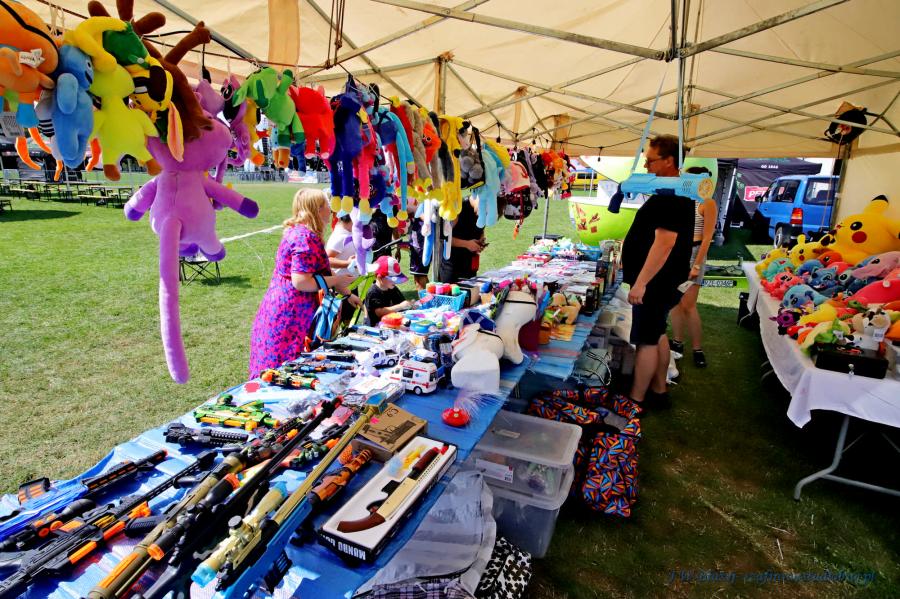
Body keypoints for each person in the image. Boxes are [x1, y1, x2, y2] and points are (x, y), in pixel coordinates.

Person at [248, 189, 358, 378]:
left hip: (287, 307)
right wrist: (338, 280)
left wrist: (347, 293)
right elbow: (301, 282)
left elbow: (321, 268)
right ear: (317, 210)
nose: (331, 211)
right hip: (291, 314)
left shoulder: (302, 233)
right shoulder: (304, 237)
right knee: (283, 368)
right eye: (327, 206)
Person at [621, 135, 695, 408]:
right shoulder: (672, 191)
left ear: (669, 161)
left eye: (650, 160)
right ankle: (659, 389)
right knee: (657, 333)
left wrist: (641, 283)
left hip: (656, 282)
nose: (646, 165)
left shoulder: (672, 197)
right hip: (663, 280)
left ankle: (636, 400)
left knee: (646, 341)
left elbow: (665, 244)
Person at [670, 166, 718, 368]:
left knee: (689, 305)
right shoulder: (681, 200)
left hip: (694, 253)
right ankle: (677, 342)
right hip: (676, 253)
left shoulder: (707, 202)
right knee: (675, 302)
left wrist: (697, 264)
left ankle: (697, 349)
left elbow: (707, 238)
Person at [440, 195, 485, 284]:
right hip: (452, 266)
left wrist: (480, 240)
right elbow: (443, 238)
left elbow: (480, 230)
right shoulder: (457, 208)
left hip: (470, 265)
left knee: (470, 291)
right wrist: (468, 244)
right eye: (486, 211)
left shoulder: (482, 211)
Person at [364, 256, 413, 326]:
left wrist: (409, 305)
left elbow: (401, 302)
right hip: (375, 327)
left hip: (391, 324)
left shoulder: (392, 288)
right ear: (380, 278)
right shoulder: (373, 292)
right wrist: (401, 306)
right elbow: (379, 312)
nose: (395, 282)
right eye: (392, 279)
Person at [406, 198, 429, 290]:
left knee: (419, 278)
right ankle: (430, 296)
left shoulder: (425, 197)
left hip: (421, 240)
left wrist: (417, 213)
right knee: (420, 275)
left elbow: (423, 215)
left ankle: (425, 299)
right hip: (419, 237)